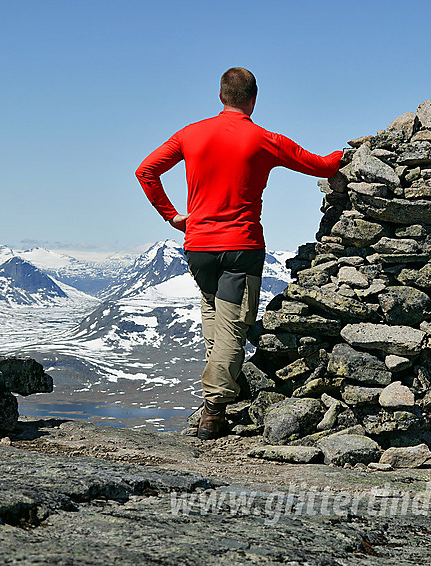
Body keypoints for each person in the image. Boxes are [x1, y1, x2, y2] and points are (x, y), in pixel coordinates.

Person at [136, 67, 342, 440]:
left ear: (221, 97)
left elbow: (146, 171)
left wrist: (173, 218)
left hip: (198, 246)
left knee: (214, 320)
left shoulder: (190, 134)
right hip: (241, 247)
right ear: (254, 98)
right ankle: (213, 412)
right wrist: (346, 154)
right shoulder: (264, 139)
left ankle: (220, 394)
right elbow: (321, 165)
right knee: (231, 328)